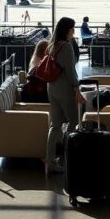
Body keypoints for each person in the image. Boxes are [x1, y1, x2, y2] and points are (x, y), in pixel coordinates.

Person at [44, 17, 86, 175]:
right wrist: (76, 88)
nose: (74, 31)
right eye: (72, 28)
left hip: (52, 87)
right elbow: (70, 70)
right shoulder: (67, 46)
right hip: (64, 88)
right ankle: (69, 156)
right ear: (67, 30)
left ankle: (50, 160)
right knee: (74, 121)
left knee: (55, 125)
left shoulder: (51, 45)